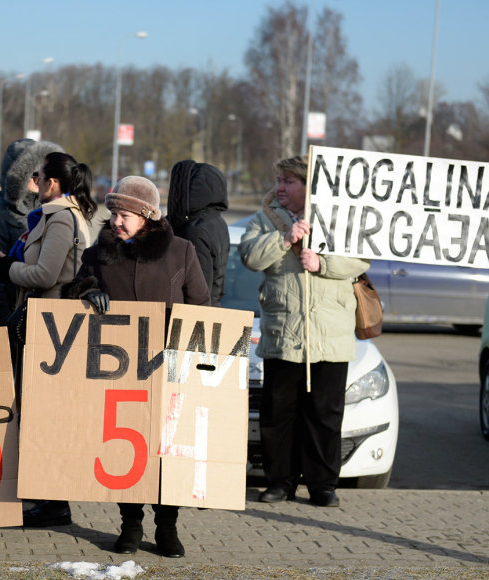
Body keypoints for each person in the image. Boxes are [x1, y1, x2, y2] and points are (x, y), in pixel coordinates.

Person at [64, 176, 210, 558]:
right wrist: (87, 292)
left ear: (146, 215)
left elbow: (201, 302)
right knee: (126, 448)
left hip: (167, 369)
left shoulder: (181, 251)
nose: (115, 221)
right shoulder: (99, 253)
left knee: (164, 450)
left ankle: (167, 527)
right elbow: (74, 288)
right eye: (113, 213)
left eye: (124, 213)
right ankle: (130, 525)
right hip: (120, 371)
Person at [237, 156, 370, 508]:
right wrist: (283, 239)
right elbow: (250, 256)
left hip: (330, 337)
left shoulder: (339, 218)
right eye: (278, 180)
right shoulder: (265, 219)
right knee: (279, 414)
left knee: (324, 415)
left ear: (309, 186)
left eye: (289, 181)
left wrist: (323, 264)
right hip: (284, 335)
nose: (280, 187)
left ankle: (322, 485)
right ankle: (280, 482)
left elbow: (363, 257)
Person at [0, 151, 96, 529]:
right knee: (39, 413)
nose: (33, 184)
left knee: (45, 415)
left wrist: (7, 269)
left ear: (52, 183)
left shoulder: (61, 218)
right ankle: (47, 497)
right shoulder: (58, 216)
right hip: (43, 325)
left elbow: (46, 273)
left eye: (38, 177)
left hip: (50, 327)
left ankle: (54, 502)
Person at [0, 138, 64, 326]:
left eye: (46, 176)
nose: (41, 181)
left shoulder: (55, 210)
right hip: (11, 313)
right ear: (18, 176)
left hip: (47, 311)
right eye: (35, 177)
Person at [167, 160, 230, 307]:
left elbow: (198, 287)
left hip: (195, 316)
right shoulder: (217, 221)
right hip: (211, 308)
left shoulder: (194, 229)